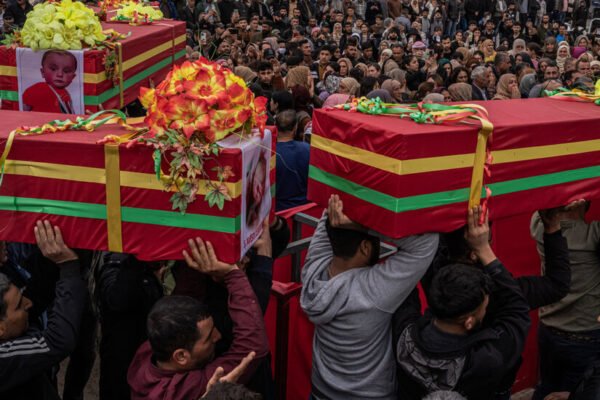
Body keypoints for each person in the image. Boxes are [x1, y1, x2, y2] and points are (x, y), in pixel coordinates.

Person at [301, 194, 438, 399]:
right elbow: (426, 243)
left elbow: (332, 207)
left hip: (320, 392)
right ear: (365, 247)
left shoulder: (313, 271)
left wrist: (354, 224)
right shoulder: (372, 291)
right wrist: (363, 225)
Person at [393, 206, 531, 400]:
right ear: (469, 322)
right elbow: (517, 310)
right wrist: (483, 248)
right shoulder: (484, 362)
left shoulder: (403, 337)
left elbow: (403, 283)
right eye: (484, 307)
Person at [127, 237, 270, 400]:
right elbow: (252, 347)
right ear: (181, 356)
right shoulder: (182, 391)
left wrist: (198, 249)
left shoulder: (150, 352)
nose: (218, 336)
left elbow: (187, 296)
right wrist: (233, 275)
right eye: (208, 337)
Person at [0, 221, 87, 399]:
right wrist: (68, 266)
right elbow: (57, 341)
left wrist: (55, 247)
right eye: (19, 305)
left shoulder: (9, 319)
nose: (28, 304)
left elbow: (37, 292)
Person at [531, 200, 600, 400]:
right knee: (578, 392)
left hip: (549, 328)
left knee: (546, 388)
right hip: (584, 333)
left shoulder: (539, 226)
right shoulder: (592, 235)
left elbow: (542, 204)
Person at [275, 110, 310, 211]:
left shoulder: (269, 153)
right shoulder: (307, 149)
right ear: (295, 127)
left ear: (275, 127)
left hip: (279, 210)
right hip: (304, 209)